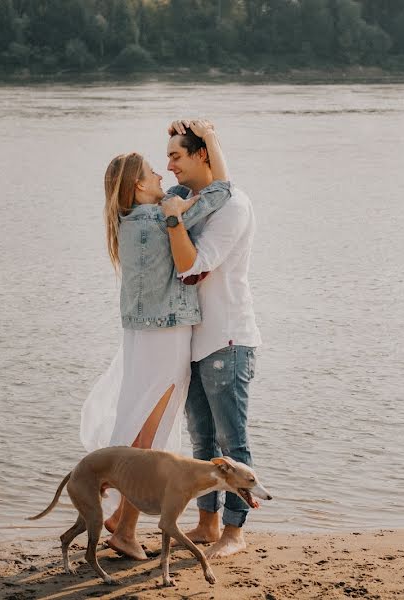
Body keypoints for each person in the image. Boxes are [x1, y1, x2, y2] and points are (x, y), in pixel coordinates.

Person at [79, 122, 233, 560]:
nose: (163, 176)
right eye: (154, 171)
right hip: (165, 337)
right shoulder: (155, 218)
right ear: (139, 185)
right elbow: (222, 194)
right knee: (150, 433)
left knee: (144, 425)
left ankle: (120, 520)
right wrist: (213, 144)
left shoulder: (127, 221)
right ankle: (121, 525)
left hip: (144, 337)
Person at [161, 119, 261, 559]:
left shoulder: (233, 205)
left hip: (228, 338)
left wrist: (172, 220)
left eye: (176, 156)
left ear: (202, 155)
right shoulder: (191, 202)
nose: (168, 166)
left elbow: (194, 267)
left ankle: (235, 533)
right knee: (201, 442)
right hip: (194, 342)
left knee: (231, 442)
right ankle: (207, 523)